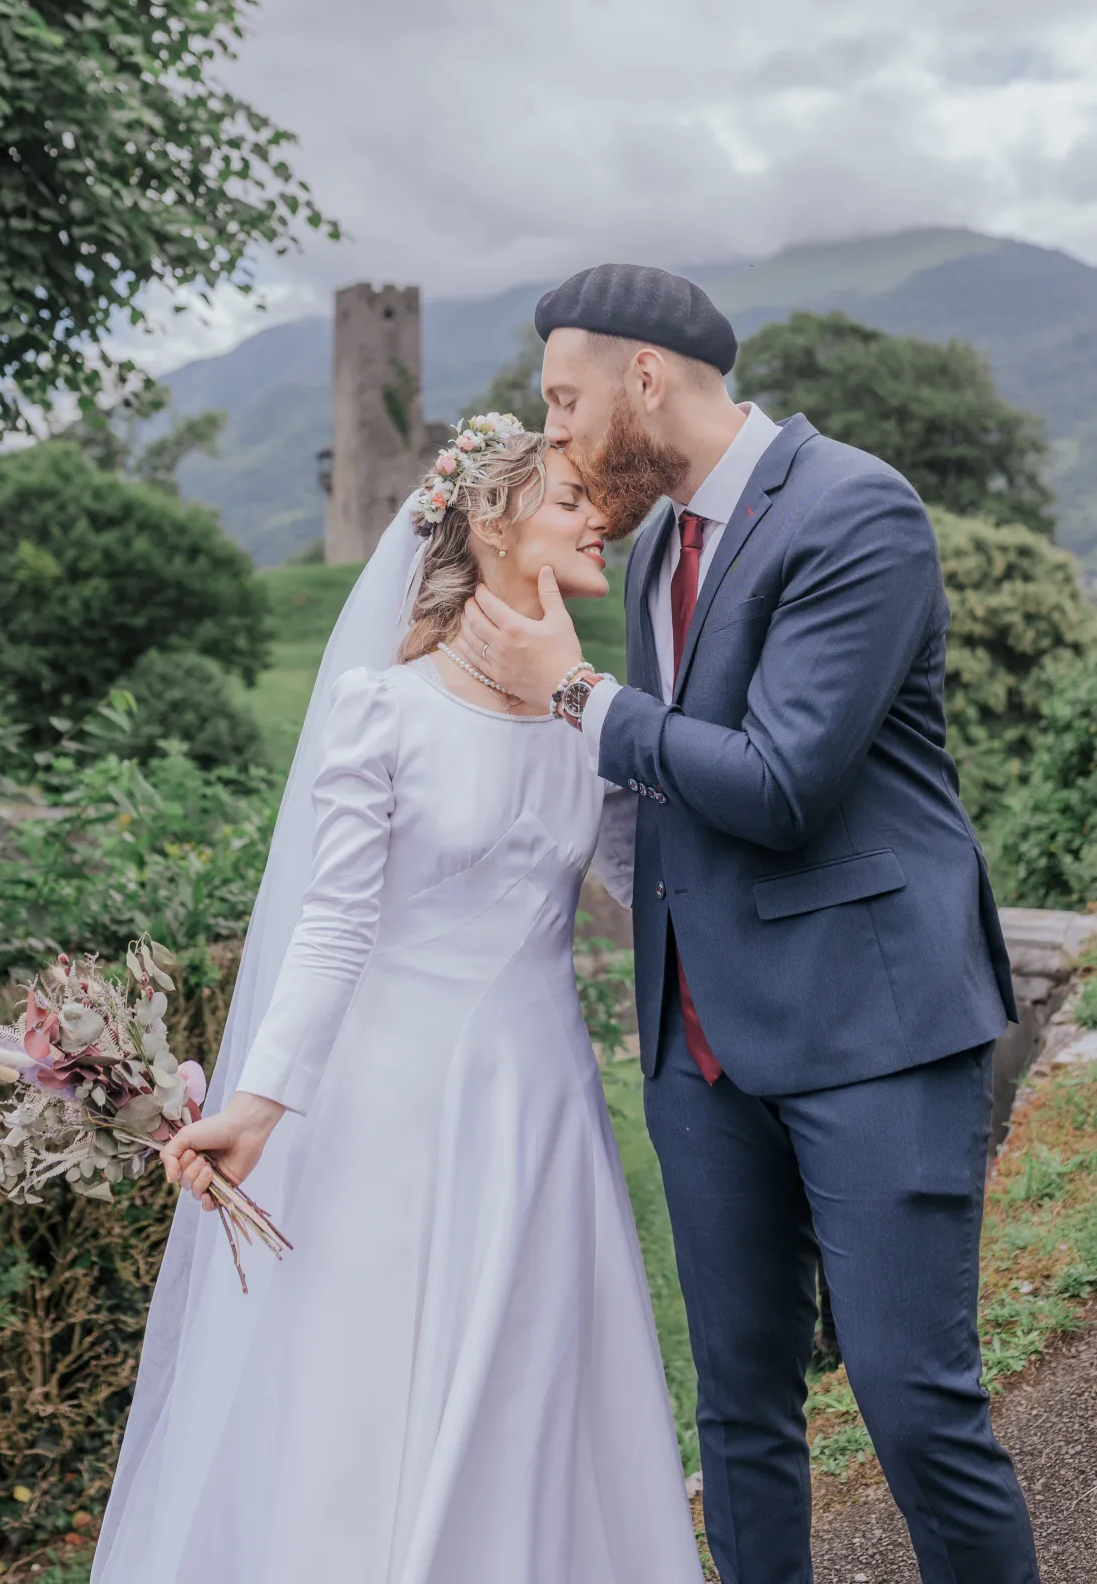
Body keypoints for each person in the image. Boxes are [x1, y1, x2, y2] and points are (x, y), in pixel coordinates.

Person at [462, 263, 1039, 1584]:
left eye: (564, 400)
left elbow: (781, 785)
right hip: (699, 1042)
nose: (551, 432)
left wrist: (580, 699)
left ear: (645, 381)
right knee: (737, 1414)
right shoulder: (661, 535)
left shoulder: (857, 510)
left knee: (914, 1407)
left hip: (870, 1030)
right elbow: (661, 795)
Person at [91, 422, 703, 1584]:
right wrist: (259, 1103)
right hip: (396, 1112)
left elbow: (642, 880)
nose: (598, 520)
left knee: (530, 1388)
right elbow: (332, 925)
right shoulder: (386, 710)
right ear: (488, 523)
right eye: (570, 497)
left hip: (544, 1108)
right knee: (378, 1393)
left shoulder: (588, 711)